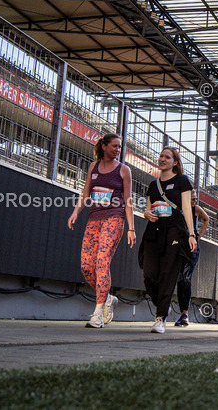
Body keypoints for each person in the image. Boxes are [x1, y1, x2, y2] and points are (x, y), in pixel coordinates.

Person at [67, 133, 135, 328]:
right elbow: (86, 193)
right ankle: (107, 299)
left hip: (114, 217)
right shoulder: (93, 167)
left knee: (102, 262)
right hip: (93, 218)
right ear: (104, 146)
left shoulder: (124, 170)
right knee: (86, 266)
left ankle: (97, 314)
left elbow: (128, 200)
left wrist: (131, 228)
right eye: (114, 146)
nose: (117, 150)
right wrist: (75, 212)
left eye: (119, 147)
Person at [139, 147, 197, 333]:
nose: (163, 159)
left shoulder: (182, 181)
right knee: (149, 274)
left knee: (167, 274)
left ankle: (160, 317)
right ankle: (163, 305)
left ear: (175, 162)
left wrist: (191, 234)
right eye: (161, 156)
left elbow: (187, 208)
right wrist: (146, 213)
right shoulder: (153, 184)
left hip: (174, 231)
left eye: (167, 157)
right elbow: (148, 208)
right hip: (153, 232)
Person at [173, 190, 210, 326]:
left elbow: (206, 219)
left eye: (196, 199)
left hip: (192, 247)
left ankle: (185, 313)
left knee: (186, 277)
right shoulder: (179, 208)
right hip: (179, 245)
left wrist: (199, 236)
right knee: (179, 278)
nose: (195, 201)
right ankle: (182, 312)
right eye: (193, 199)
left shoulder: (196, 209)